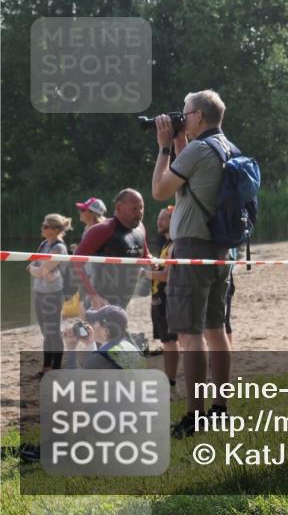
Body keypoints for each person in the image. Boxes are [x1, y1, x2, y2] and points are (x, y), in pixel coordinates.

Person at [151, 89, 237, 437]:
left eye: (185, 113)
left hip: (191, 247)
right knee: (216, 329)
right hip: (221, 250)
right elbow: (190, 184)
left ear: (199, 116)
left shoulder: (200, 149)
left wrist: (162, 145)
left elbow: (159, 190)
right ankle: (219, 409)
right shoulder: (224, 147)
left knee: (189, 333)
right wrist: (180, 139)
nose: (180, 117)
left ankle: (194, 415)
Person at [72, 189, 149, 310]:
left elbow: (146, 256)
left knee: (118, 327)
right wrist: (93, 296)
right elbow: (75, 262)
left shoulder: (140, 229)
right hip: (101, 303)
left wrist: (159, 263)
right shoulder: (101, 230)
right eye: (134, 209)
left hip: (123, 304)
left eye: (141, 208)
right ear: (118, 207)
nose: (139, 213)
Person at [29, 214, 72, 378]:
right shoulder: (44, 244)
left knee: (53, 331)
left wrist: (37, 270)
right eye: (43, 225)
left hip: (53, 294)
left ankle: (56, 368)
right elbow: (35, 266)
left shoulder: (59, 248)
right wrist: (38, 270)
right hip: (40, 292)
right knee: (45, 332)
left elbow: (40, 269)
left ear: (54, 230)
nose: (42, 228)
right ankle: (46, 368)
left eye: (45, 226)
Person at [143, 206, 179, 390]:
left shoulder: (174, 245)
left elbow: (168, 276)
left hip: (167, 299)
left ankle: (170, 381)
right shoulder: (166, 245)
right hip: (159, 298)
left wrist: (145, 273)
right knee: (167, 341)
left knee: (170, 341)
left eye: (164, 219)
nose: (159, 222)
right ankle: (169, 379)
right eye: (158, 218)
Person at [61, 305, 143, 370]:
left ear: (106, 331)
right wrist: (90, 344)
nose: (92, 326)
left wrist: (71, 348)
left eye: (96, 323)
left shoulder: (98, 359)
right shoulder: (131, 348)